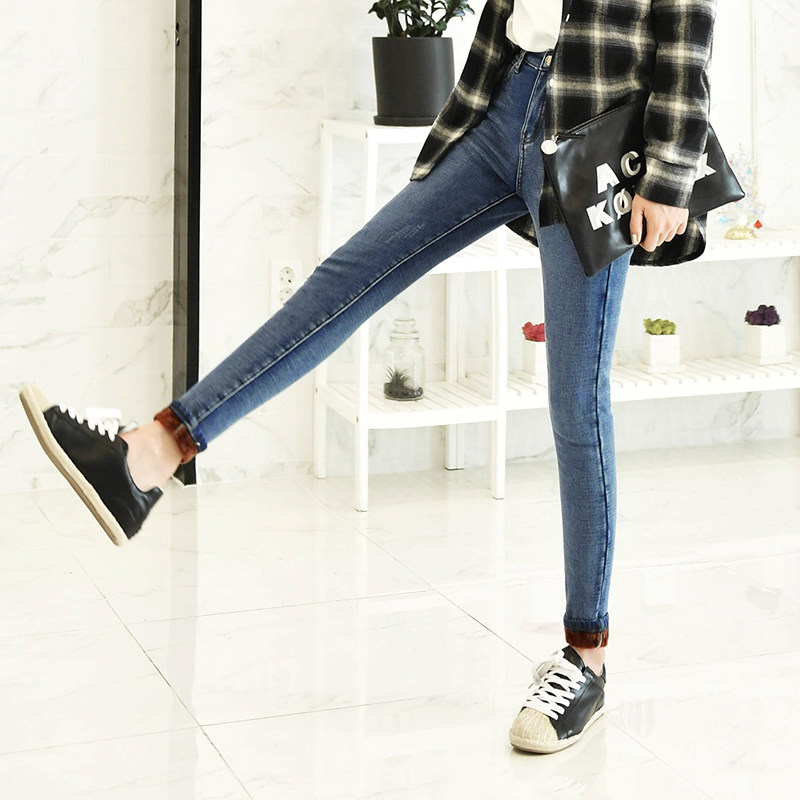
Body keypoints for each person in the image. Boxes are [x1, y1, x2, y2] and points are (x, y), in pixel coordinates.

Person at [19, 0, 717, 754]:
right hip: (505, 96)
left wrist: (671, 169)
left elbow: (688, 22)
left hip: (597, 128)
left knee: (575, 402)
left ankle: (587, 659)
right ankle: (151, 454)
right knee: (345, 280)